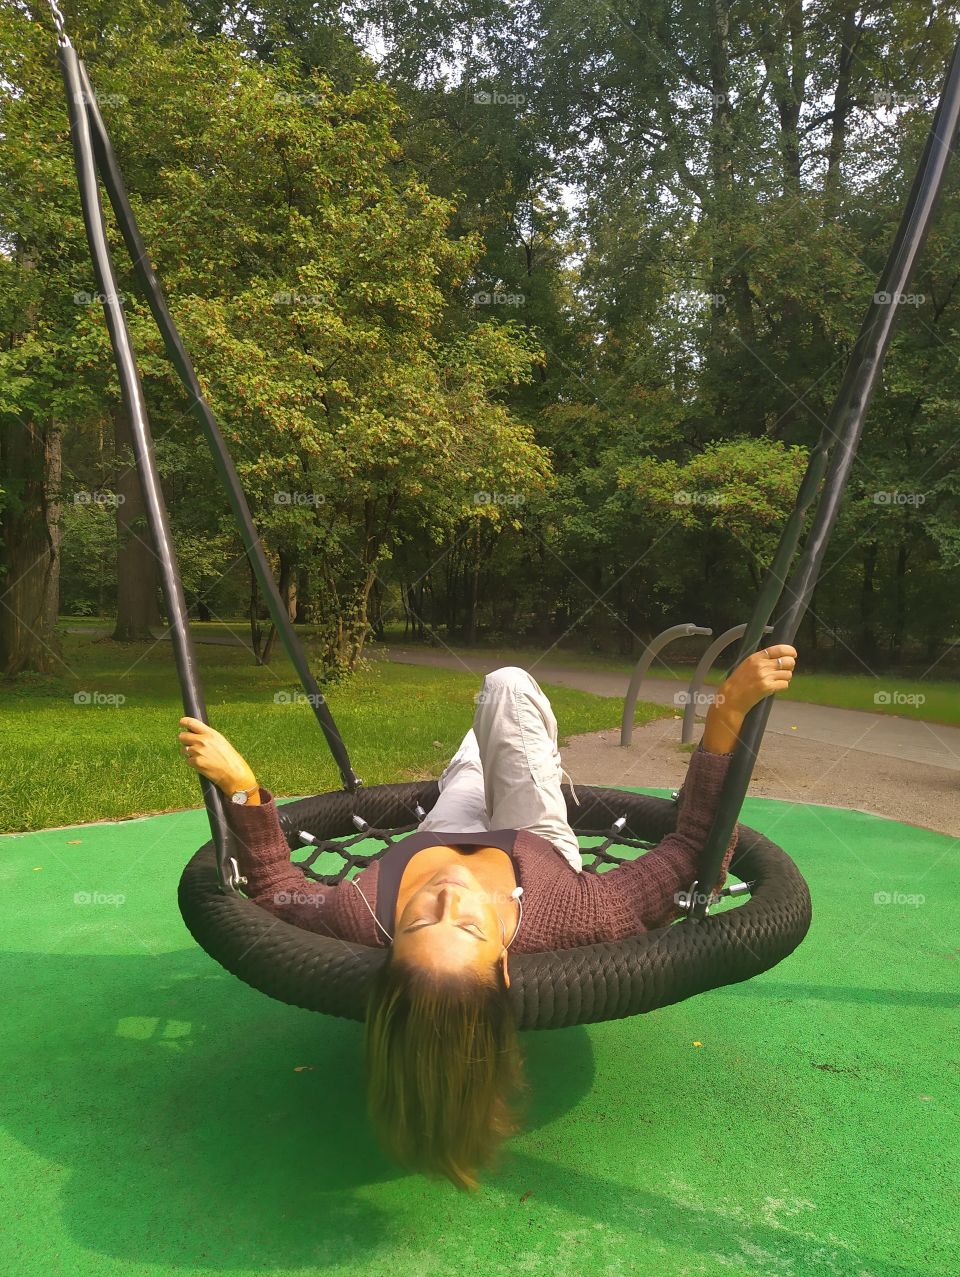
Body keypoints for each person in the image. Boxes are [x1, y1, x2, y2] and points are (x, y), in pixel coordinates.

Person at [178, 645, 797, 1190]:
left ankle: (478, 760)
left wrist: (242, 786)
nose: (450, 896)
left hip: (439, 830)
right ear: (504, 969)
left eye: (421, 923)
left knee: (471, 765)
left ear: (389, 947)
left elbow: (276, 885)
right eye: (469, 927)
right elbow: (691, 855)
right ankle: (530, 763)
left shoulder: (358, 915)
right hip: (535, 837)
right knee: (504, 685)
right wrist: (725, 714)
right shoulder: (582, 914)